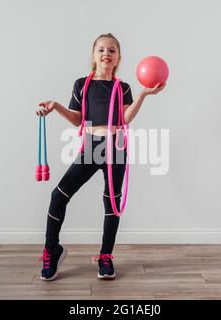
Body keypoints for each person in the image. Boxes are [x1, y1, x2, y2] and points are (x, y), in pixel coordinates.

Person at [36, 33, 166, 281]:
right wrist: (56, 106)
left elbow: (125, 119)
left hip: (116, 146)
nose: (106, 54)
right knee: (58, 196)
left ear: (118, 57)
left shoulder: (122, 87)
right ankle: (52, 250)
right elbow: (78, 120)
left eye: (112, 50)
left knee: (112, 204)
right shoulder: (82, 85)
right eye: (101, 50)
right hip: (90, 146)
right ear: (93, 55)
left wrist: (142, 95)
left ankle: (105, 257)